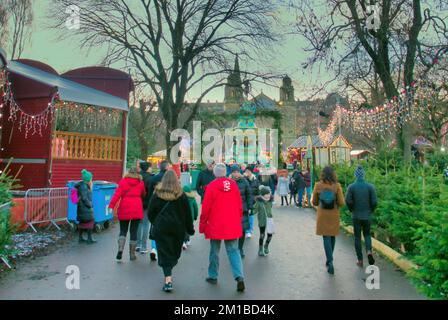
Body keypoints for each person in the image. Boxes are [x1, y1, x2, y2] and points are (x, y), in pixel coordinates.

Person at [200, 163, 246, 292]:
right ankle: (239, 277)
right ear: (226, 173)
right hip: (232, 223)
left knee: (214, 251)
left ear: (214, 174)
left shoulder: (211, 187)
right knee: (233, 251)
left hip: (216, 223)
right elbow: (239, 206)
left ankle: (213, 275)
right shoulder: (234, 186)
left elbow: (206, 208)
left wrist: (202, 225)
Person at [148, 170, 195, 292]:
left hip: (161, 228)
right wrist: (190, 229)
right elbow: (187, 215)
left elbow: (150, 212)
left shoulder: (157, 194)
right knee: (174, 253)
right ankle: (168, 278)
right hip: (177, 229)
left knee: (164, 252)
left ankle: (167, 273)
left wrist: (156, 222)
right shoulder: (181, 195)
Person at [311, 166, 345, 275]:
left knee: (326, 236)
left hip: (323, 215)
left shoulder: (318, 185)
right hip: (333, 214)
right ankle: (330, 259)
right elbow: (341, 202)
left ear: (323, 175)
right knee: (332, 235)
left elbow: (314, 202)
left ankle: (329, 261)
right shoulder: (337, 186)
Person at [109, 167, 146, 262]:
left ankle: (120, 250)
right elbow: (143, 194)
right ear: (138, 174)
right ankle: (132, 254)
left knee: (123, 230)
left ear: (128, 172)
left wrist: (111, 206)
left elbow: (117, 195)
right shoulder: (141, 183)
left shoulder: (123, 182)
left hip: (124, 207)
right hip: (136, 208)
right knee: (133, 232)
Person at [345, 166, 377, 267]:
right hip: (367, 215)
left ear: (355, 175)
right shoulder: (370, 187)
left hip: (356, 216)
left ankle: (360, 260)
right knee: (367, 235)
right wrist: (371, 210)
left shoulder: (351, 187)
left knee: (357, 237)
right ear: (363, 175)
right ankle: (368, 251)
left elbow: (348, 200)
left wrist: (352, 209)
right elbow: (374, 201)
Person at [146, 160, 170, 260]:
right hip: (168, 206)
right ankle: (164, 250)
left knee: (155, 228)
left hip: (156, 206)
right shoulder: (170, 179)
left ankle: (154, 249)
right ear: (167, 167)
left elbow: (149, 192)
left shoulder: (154, 178)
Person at [230, 164, 253, 258]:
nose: (236, 174)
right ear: (231, 173)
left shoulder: (244, 181)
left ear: (240, 172)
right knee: (232, 230)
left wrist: (250, 207)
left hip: (243, 209)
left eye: (237, 172)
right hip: (232, 210)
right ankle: (234, 248)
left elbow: (249, 194)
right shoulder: (229, 182)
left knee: (242, 230)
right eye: (234, 172)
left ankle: (240, 248)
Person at [136, 161, 154, 254]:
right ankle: (143, 246)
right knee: (146, 224)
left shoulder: (138, 177)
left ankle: (138, 244)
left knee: (139, 223)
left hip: (138, 203)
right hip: (147, 204)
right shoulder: (151, 178)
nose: (152, 168)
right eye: (151, 167)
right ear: (147, 168)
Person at [75, 169, 96, 244]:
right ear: (88, 180)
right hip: (85, 209)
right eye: (91, 179)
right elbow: (84, 198)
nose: (91, 180)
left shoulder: (82, 185)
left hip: (81, 209)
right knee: (91, 221)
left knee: (81, 222)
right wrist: (90, 205)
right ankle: (89, 239)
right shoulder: (84, 186)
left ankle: (80, 238)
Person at [253, 186, 274, 256]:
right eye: (267, 194)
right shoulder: (259, 202)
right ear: (263, 194)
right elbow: (254, 210)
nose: (268, 195)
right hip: (262, 220)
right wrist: (250, 212)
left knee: (270, 235)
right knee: (262, 235)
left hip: (270, 220)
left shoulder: (270, 201)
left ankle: (266, 246)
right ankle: (260, 249)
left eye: (269, 193)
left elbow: (270, 208)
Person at [244, 165, 260, 238]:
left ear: (251, 172)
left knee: (250, 216)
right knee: (244, 216)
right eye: (246, 171)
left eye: (248, 171)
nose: (247, 172)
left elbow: (258, 190)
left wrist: (256, 198)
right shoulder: (243, 179)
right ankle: (244, 230)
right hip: (244, 200)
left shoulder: (256, 180)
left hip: (252, 201)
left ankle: (249, 231)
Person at [182, 184, 199, 249]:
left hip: (182, 216)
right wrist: (195, 216)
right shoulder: (192, 198)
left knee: (183, 229)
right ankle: (187, 240)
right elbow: (196, 208)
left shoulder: (180, 197)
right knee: (188, 229)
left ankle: (183, 241)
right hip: (190, 216)